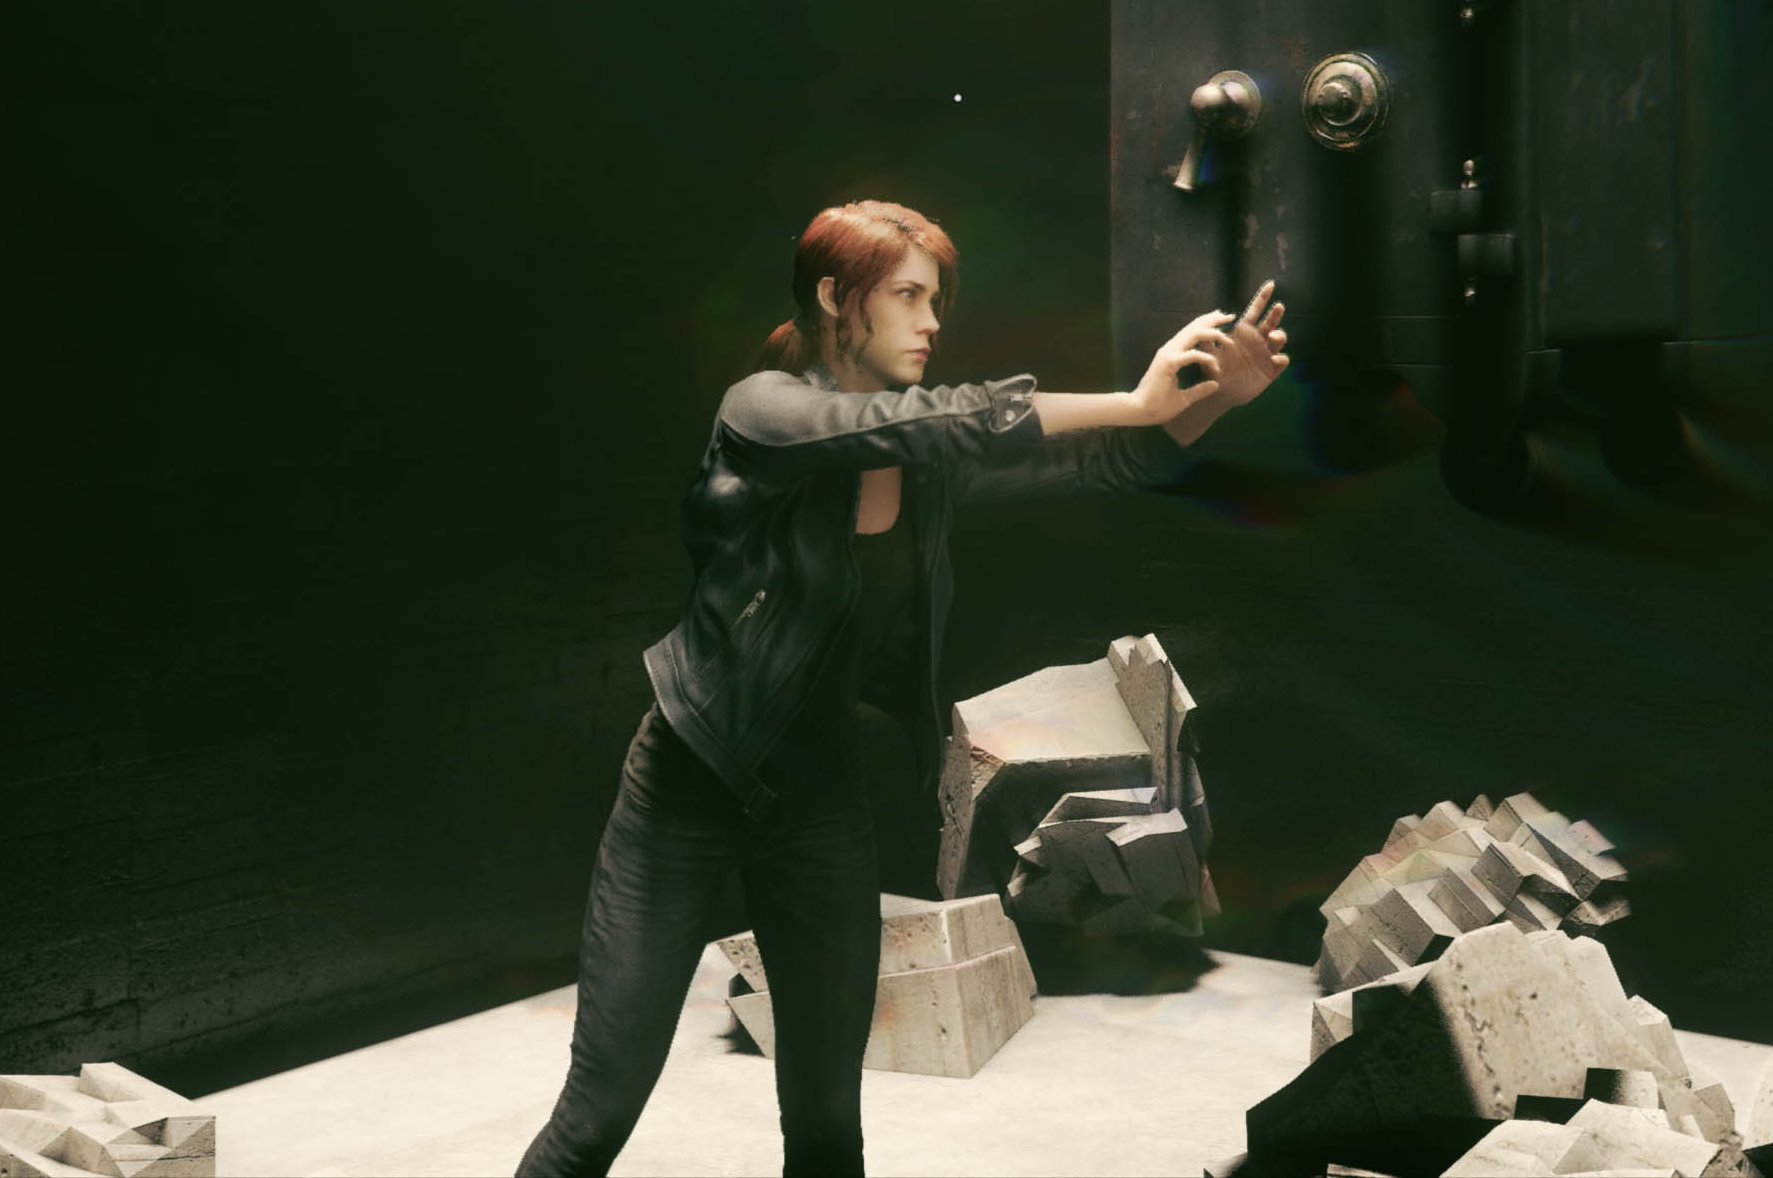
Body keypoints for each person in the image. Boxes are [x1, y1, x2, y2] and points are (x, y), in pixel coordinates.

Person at [512, 199, 1289, 1176]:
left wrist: (1212, 398)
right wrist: (1137, 399)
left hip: (819, 809)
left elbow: (1108, 459)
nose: (931, 323)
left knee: (828, 1129)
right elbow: (908, 425)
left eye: (937, 301)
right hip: (685, 795)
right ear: (834, 298)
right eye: (909, 297)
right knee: (598, 1112)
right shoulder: (763, 412)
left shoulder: (923, 470)